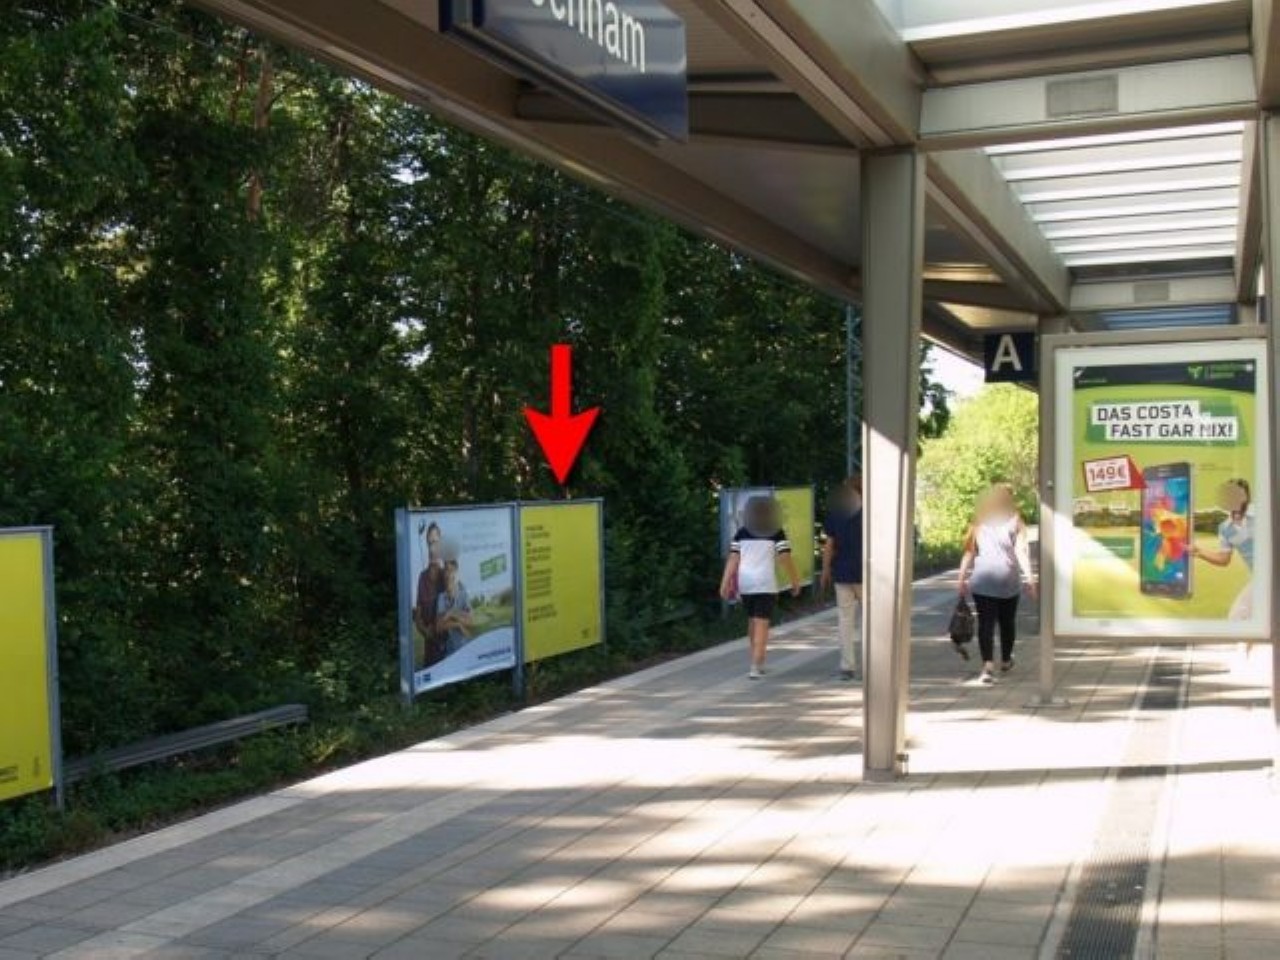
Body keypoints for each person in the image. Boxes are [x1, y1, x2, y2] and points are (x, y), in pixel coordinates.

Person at [957, 483, 1037, 685]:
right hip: (1007, 580)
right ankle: (1006, 660)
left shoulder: (979, 521)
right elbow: (1021, 552)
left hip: (983, 580)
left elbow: (969, 552)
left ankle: (987, 666)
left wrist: (961, 578)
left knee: (986, 623)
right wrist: (1030, 579)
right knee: (1007, 623)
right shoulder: (1015, 520)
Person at [720, 496, 801, 680]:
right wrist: (795, 580)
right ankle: (756, 665)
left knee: (752, 621)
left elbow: (733, 559)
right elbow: (785, 558)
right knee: (762, 624)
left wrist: (724, 583)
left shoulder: (741, 533)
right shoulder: (776, 532)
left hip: (745, 583)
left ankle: (756, 660)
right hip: (765, 583)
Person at [1192, 478, 1254, 621]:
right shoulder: (1225, 528)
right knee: (1236, 617)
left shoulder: (1263, 514)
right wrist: (1199, 552)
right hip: (1259, 578)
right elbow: (1223, 559)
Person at [821, 475, 863, 681]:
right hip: (867, 573)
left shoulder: (836, 513)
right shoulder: (872, 513)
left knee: (845, 620)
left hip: (842, 573)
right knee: (871, 621)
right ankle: (873, 663)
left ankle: (847, 666)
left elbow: (829, 545)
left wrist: (825, 570)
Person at [413, 521, 447, 666]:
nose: (432, 548)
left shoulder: (448, 575)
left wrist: (439, 625)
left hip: (449, 654)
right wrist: (425, 631)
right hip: (430, 658)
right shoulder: (422, 577)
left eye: (435, 542)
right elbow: (418, 618)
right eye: (429, 543)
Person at [435, 558, 474, 656]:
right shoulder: (441, 597)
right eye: (446, 570)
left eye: (451, 570)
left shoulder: (463, 595)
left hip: (465, 648)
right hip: (450, 652)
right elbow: (439, 626)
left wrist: (451, 613)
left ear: (456, 573)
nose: (448, 574)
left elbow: (470, 621)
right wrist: (458, 624)